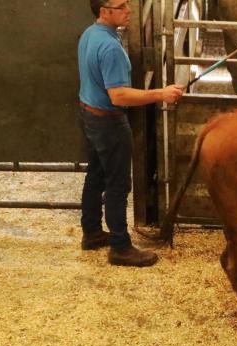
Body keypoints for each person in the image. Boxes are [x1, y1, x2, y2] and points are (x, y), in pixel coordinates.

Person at [78, 0, 184, 266]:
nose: (129, 11)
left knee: (96, 175)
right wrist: (161, 94)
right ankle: (120, 247)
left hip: (89, 113)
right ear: (104, 11)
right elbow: (119, 95)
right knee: (118, 185)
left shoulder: (90, 34)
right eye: (121, 6)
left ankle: (91, 232)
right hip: (109, 122)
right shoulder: (111, 47)